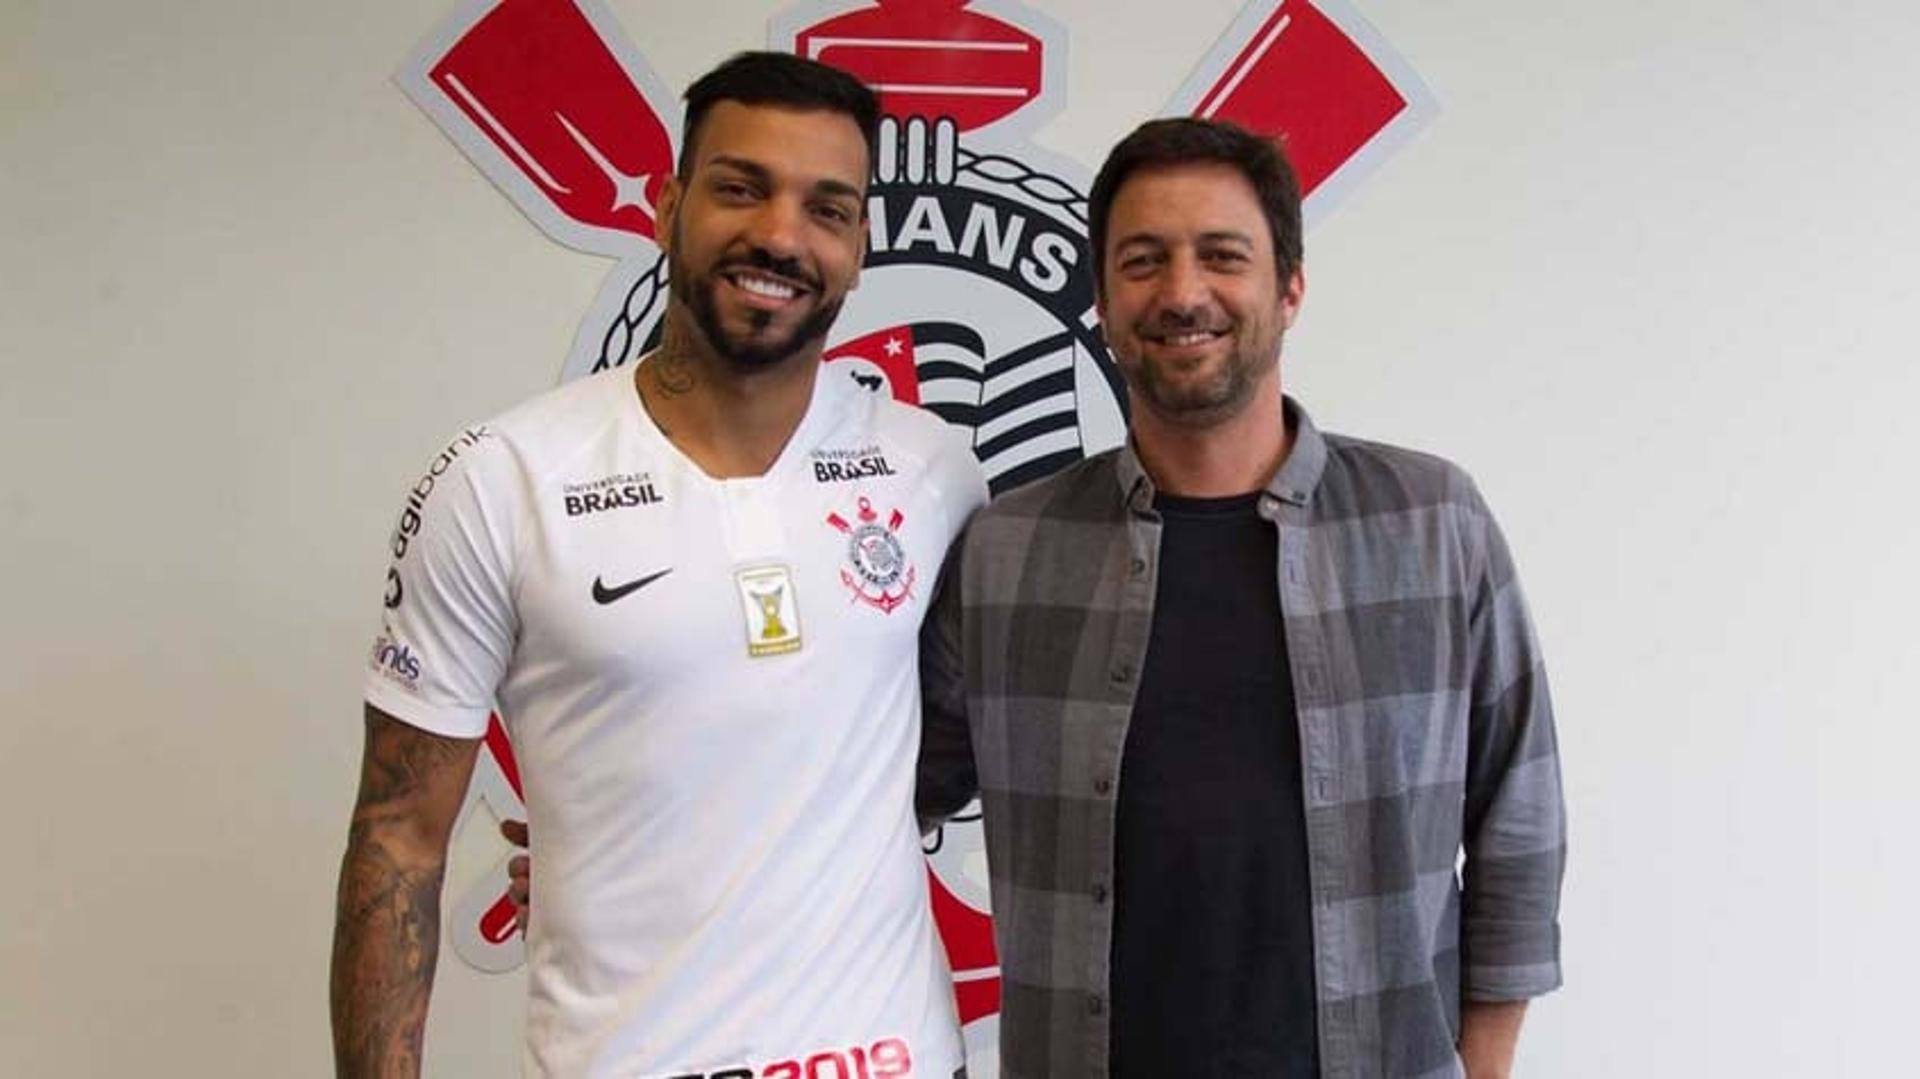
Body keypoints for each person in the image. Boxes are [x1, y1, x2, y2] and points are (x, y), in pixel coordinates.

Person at [330, 52, 984, 1078]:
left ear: (860, 247)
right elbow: (399, 839)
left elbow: (971, 744)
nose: (778, 233)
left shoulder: (934, 468)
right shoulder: (503, 478)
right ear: (668, 206)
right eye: (739, 188)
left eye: (826, 207)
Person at [915, 118, 1567, 1078]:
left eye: (1223, 255)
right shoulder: (1009, 552)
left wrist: (1484, 1067)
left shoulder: (1432, 524)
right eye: (1144, 260)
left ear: (1289, 288)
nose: (1183, 293)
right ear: (1101, 298)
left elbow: (1520, 818)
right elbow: (873, 791)